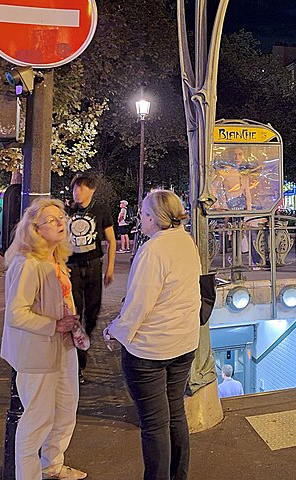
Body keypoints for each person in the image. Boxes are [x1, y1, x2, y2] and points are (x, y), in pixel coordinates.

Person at [103, 189, 200, 480]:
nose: (141, 219)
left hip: (150, 350)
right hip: (184, 343)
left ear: (155, 219)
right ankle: (178, 475)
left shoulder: (152, 251)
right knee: (175, 415)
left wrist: (114, 331)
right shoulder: (186, 241)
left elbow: (138, 305)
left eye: (144, 214)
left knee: (155, 424)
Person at [0, 198, 87, 480]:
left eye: (60, 217)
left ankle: (52, 466)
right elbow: (16, 314)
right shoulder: (28, 264)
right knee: (37, 419)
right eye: (51, 220)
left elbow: (62, 302)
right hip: (37, 352)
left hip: (63, 346)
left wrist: (73, 326)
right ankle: (28, 476)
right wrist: (54, 325)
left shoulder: (56, 259)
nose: (60, 222)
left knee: (65, 411)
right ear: (35, 229)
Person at [66, 171, 117, 383]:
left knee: (93, 313)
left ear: (92, 190)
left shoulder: (101, 210)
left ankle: (84, 339)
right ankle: (77, 362)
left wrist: (110, 268)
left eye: (82, 188)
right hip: (72, 267)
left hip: (94, 266)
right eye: (75, 188)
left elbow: (111, 240)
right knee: (75, 311)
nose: (77, 192)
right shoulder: (66, 210)